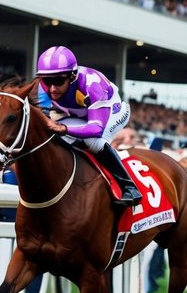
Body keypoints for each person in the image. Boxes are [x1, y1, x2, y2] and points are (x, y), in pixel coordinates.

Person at [34, 45, 140, 205]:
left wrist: (64, 128)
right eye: (47, 81)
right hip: (78, 113)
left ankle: (129, 187)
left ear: (73, 77)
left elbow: (96, 129)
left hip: (112, 111)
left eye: (58, 80)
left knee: (94, 142)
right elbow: (43, 122)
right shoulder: (43, 88)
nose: (52, 88)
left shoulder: (92, 86)